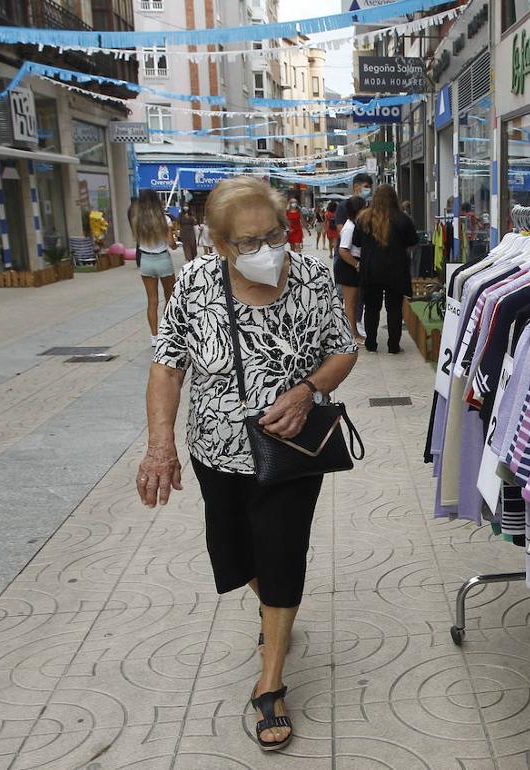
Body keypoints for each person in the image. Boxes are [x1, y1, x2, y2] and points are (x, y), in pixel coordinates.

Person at [139, 176, 358, 752]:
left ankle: (271, 680)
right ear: (216, 243)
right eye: (248, 242)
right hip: (216, 449)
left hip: (292, 449)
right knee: (236, 553)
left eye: (274, 234)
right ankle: (275, 610)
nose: (266, 250)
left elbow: (344, 347)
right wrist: (160, 444)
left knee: (282, 551)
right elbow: (167, 367)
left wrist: (308, 389)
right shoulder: (193, 284)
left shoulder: (311, 277)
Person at [354, 184, 418, 353]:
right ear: (394, 198)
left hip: (371, 269)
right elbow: (413, 242)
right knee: (394, 308)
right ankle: (393, 345)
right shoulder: (402, 219)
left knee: (372, 308)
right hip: (395, 270)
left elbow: (357, 242)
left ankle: (371, 343)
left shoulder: (363, 219)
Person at [133, 189, 177, 347]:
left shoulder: (137, 221)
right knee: (169, 298)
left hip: (146, 260)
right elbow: (172, 245)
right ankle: (167, 332)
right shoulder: (165, 220)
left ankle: (154, 337)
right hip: (163, 259)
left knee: (152, 301)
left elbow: (137, 240)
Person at [335, 196, 365, 344]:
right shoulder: (349, 228)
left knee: (353, 302)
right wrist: (357, 265)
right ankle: (353, 334)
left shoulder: (356, 225)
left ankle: (353, 333)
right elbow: (343, 251)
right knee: (350, 303)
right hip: (348, 266)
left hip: (352, 265)